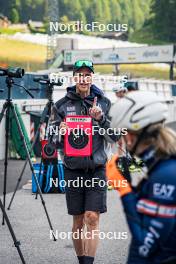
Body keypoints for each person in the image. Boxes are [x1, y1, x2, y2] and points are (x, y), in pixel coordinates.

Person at [50, 60, 119, 264]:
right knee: (79, 220)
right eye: (79, 74)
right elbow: (53, 142)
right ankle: (82, 261)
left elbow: (114, 136)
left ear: (92, 78)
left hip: (96, 169)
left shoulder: (104, 103)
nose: (83, 78)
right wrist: (59, 134)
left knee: (92, 217)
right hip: (73, 169)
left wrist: (101, 119)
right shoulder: (61, 105)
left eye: (87, 74)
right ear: (74, 78)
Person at [106, 91, 176, 264]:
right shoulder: (161, 164)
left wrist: (124, 189)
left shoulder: (165, 176)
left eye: (124, 133)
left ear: (130, 136)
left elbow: (145, 243)